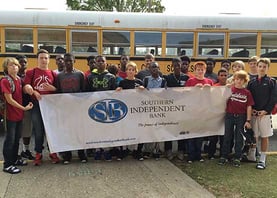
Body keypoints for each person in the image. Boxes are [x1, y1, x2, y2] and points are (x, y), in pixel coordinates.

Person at [23, 49, 60, 166]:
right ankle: (38, 153)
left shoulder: (53, 74)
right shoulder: (31, 72)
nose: (44, 60)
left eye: (46, 58)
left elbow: (58, 90)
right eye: (41, 58)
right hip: (37, 105)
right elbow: (25, 87)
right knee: (38, 130)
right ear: (37, 59)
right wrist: (32, 91)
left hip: (50, 105)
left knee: (51, 130)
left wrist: (52, 89)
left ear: (49, 60)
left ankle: (52, 152)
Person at [1, 57, 33, 174]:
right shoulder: (6, 81)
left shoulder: (19, 79)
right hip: (10, 116)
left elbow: (23, 90)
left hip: (18, 115)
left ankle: (14, 159)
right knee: (9, 140)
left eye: (15, 65)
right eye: (10, 65)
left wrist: (28, 89)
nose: (14, 67)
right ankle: (7, 164)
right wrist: (23, 108)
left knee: (16, 140)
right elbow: (9, 99)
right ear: (6, 68)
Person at [56, 53, 88, 164]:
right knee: (67, 131)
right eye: (66, 61)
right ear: (63, 62)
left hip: (78, 108)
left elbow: (84, 91)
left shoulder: (80, 74)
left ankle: (81, 153)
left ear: (74, 61)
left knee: (79, 131)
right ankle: (67, 154)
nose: (68, 63)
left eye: (70, 60)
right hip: (65, 109)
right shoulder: (59, 76)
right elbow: (58, 92)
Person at [218, 70, 254, 167]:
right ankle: (224, 156)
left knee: (239, 138)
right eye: (237, 79)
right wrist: (226, 88)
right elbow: (222, 100)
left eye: (241, 80)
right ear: (234, 80)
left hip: (241, 117)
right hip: (229, 115)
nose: (239, 81)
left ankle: (237, 157)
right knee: (227, 136)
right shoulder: (230, 89)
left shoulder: (247, 93)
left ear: (244, 81)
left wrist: (248, 120)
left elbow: (249, 106)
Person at [247, 58, 277, 169]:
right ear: (257, 67)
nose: (262, 68)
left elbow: (274, 98)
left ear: (268, 68)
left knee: (264, 136)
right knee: (254, 136)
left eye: (264, 67)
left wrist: (265, 111)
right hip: (254, 114)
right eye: (260, 66)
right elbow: (249, 97)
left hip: (265, 114)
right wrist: (253, 109)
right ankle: (252, 156)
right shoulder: (251, 82)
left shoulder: (271, 81)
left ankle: (262, 159)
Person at [86, 55, 116, 161]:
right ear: (95, 63)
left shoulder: (111, 77)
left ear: (106, 63)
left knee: (107, 129)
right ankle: (98, 150)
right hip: (95, 108)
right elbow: (87, 93)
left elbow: (114, 94)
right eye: (98, 61)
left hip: (107, 107)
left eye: (102, 61)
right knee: (96, 129)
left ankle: (107, 150)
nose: (100, 63)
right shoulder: (90, 77)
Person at [185, 61, 213, 163]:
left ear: (205, 70)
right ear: (195, 71)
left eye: (202, 69)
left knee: (200, 134)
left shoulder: (209, 82)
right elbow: (185, 94)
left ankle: (198, 155)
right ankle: (191, 155)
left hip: (203, 111)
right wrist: (193, 89)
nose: (200, 71)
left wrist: (210, 90)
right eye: (198, 69)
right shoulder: (190, 81)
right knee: (191, 134)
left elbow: (213, 96)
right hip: (192, 111)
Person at [116, 61, 145, 161]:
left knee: (139, 130)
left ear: (135, 71)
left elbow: (145, 96)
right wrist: (118, 90)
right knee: (125, 130)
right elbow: (119, 96)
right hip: (126, 111)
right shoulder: (122, 82)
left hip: (137, 111)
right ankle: (124, 150)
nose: (130, 71)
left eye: (132, 70)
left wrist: (143, 89)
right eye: (129, 69)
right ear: (126, 71)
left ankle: (138, 151)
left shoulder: (140, 82)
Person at [164, 58, 190, 160]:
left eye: (179, 65)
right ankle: (168, 150)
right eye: (175, 65)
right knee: (169, 128)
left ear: (181, 65)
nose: (177, 67)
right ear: (172, 66)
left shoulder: (186, 78)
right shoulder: (167, 77)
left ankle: (181, 151)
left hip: (183, 108)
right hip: (170, 108)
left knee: (181, 130)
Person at [143, 61, 166, 160]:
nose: (154, 69)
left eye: (156, 67)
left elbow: (166, 94)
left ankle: (156, 150)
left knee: (157, 129)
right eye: (152, 67)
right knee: (148, 129)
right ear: (149, 69)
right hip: (148, 108)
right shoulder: (146, 80)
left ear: (159, 68)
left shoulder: (163, 81)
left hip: (158, 109)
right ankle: (147, 150)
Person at [16, 55, 35, 160]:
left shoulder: (29, 75)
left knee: (27, 130)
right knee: (16, 131)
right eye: (21, 62)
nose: (23, 64)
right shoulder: (14, 76)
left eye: (25, 62)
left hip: (28, 105)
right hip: (17, 107)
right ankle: (16, 152)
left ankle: (25, 150)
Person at [207, 68, 229, 159]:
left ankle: (223, 155)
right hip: (215, 115)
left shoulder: (230, 87)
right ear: (218, 76)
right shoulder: (214, 87)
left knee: (224, 137)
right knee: (213, 136)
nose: (223, 77)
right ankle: (211, 154)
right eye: (221, 75)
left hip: (227, 115)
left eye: (225, 75)